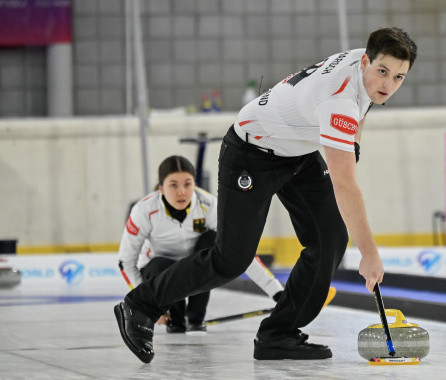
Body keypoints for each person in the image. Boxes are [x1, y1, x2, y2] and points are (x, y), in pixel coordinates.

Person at [114, 27, 417, 363]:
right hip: (250, 150)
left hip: (296, 151)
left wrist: (353, 147)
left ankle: (279, 334)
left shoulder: (367, 67)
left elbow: (364, 107)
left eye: (399, 77)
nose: (388, 85)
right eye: (383, 72)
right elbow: (345, 185)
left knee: (329, 238)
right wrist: (370, 253)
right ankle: (139, 305)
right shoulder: (339, 101)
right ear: (365, 62)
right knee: (231, 259)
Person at [117, 155, 284, 333]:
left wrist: (277, 292)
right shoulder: (144, 210)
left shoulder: (209, 205)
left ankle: (196, 317)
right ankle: (176, 319)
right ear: (161, 189)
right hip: (158, 269)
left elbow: (240, 252)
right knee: (163, 266)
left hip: (195, 267)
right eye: (173, 185)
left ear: (194, 184)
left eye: (188, 184)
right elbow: (125, 261)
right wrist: (146, 305)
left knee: (213, 240)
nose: (182, 191)